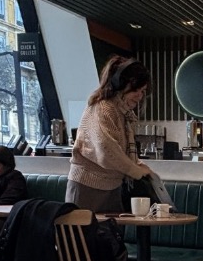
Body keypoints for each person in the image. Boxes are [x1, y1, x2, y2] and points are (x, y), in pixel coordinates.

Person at [66, 55, 154, 213]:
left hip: (111, 188)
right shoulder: (103, 108)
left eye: (143, 91)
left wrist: (140, 167)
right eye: (136, 90)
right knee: (86, 236)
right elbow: (106, 150)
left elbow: (119, 153)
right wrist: (136, 171)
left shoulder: (121, 112)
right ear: (120, 84)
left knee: (110, 237)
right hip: (88, 189)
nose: (140, 96)